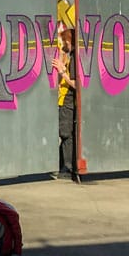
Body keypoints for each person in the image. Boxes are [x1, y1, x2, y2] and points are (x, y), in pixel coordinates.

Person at [54, 27, 79, 182]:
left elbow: (77, 84)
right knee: (65, 134)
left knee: (66, 134)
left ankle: (67, 167)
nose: (63, 45)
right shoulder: (71, 56)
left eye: (64, 42)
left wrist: (63, 72)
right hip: (65, 101)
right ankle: (65, 165)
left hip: (68, 102)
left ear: (69, 41)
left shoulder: (75, 58)